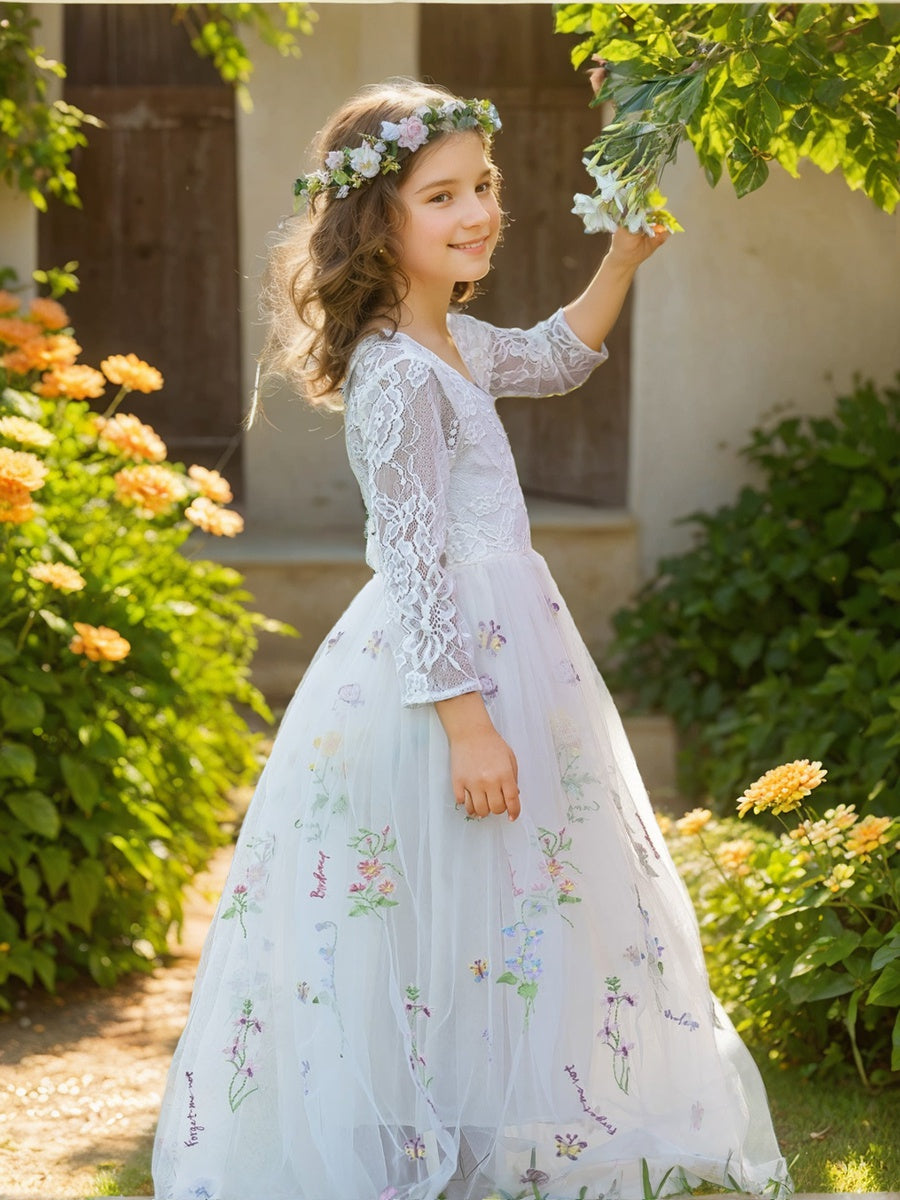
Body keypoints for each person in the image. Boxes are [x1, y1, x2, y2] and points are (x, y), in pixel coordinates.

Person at [152, 78, 791, 1200]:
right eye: (440, 195)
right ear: (375, 220)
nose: (477, 212)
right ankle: (419, 1127)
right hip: (445, 674)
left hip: (509, 645)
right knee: (430, 887)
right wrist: (467, 724)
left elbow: (551, 355)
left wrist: (623, 261)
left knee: (509, 890)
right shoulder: (397, 373)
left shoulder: (451, 343)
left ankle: (492, 1113)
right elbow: (413, 561)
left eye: (483, 187)